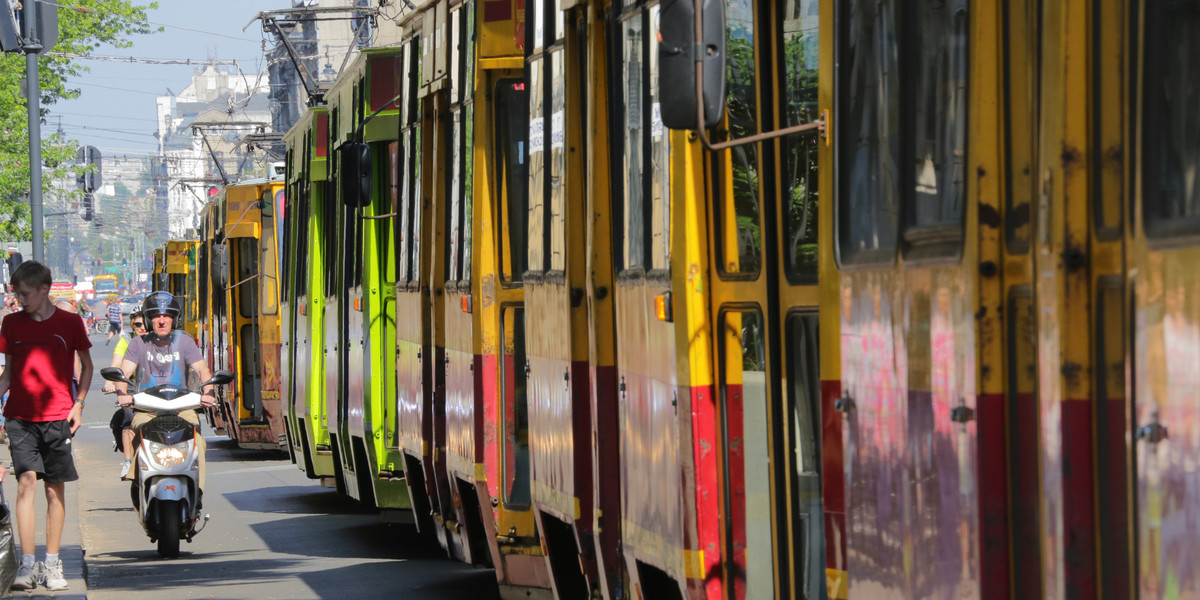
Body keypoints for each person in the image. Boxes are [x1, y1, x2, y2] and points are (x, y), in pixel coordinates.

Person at [0, 261, 92, 591]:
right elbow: (8, 373)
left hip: (57, 418)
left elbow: (86, 366)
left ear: (43, 289)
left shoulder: (70, 323)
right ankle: (27, 564)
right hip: (20, 417)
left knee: (54, 488)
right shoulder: (11, 325)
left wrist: (78, 405)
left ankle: (52, 562)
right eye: (16, 294)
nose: (19, 299)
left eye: (24, 293)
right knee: (25, 482)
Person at [115, 292, 215, 494]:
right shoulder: (138, 344)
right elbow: (123, 373)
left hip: (182, 408)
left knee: (199, 443)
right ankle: (138, 482)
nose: (161, 321)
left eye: (167, 316)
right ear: (148, 320)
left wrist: (209, 392)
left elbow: (202, 370)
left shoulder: (185, 342)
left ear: (174, 319)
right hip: (147, 409)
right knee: (140, 434)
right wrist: (121, 393)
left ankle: (197, 491)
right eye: (156, 316)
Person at [104, 315, 148, 479]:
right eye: (137, 325)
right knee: (128, 417)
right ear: (132, 326)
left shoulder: (158, 339)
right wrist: (110, 382)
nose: (142, 328)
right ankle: (128, 463)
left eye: (145, 324)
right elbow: (116, 366)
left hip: (152, 388)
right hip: (130, 387)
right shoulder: (127, 340)